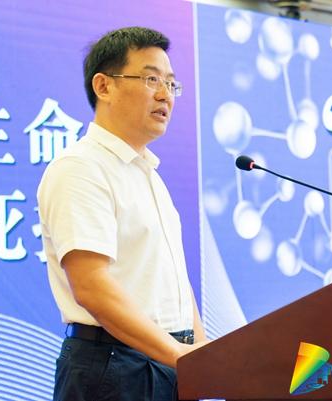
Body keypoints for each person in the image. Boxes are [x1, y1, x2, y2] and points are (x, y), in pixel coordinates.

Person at [37, 26, 207, 401]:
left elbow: (175, 284)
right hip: (115, 366)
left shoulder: (148, 174)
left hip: (168, 362)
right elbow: (91, 286)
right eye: (151, 79)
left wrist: (202, 353)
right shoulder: (81, 167)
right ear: (104, 86)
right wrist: (177, 355)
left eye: (171, 84)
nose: (165, 95)